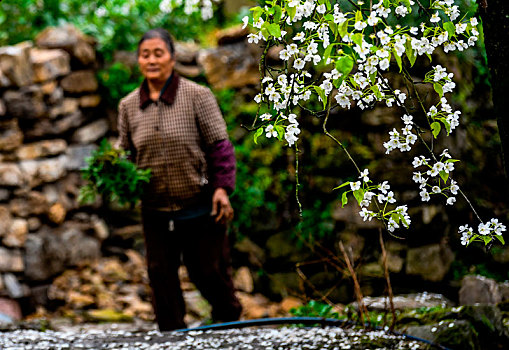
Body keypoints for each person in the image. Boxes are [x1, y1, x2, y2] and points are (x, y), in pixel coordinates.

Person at [116, 28, 242, 331]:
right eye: (145, 55)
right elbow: (125, 153)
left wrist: (222, 189)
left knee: (208, 271)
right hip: (155, 208)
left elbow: (219, 146)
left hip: (199, 203)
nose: (152, 60)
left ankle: (228, 324)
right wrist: (118, 174)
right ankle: (170, 335)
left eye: (158, 53)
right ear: (138, 61)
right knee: (160, 274)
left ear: (172, 58)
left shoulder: (197, 96)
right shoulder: (128, 106)